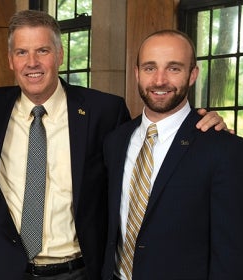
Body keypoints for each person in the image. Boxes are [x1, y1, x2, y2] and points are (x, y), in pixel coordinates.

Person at [0, 11, 227, 280]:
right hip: (4, 268)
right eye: (21, 53)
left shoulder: (103, 111)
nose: (32, 63)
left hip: (77, 270)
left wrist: (200, 122)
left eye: (42, 52)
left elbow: (152, 142)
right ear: (10, 60)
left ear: (60, 55)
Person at [101, 30, 243, 280]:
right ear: (137, 73)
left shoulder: (225, 149)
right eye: (149, 68)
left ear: (193, 75)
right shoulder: (115, 141)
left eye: (174, 68)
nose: (159, 80)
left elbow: (231, 252)